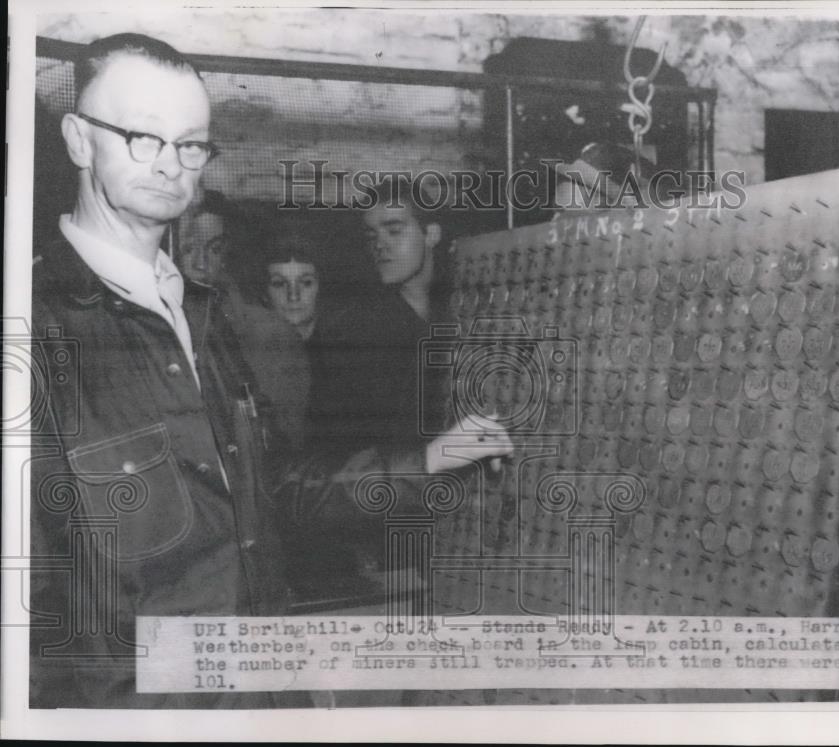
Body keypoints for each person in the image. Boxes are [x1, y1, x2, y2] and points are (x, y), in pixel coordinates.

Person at [29, 32, 512, 709]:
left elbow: (278, 488)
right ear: (79, 140)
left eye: (191, 143)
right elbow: (30, 612)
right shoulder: (35, 328)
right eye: (143, 136)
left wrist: (428, 458)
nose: (171, 164)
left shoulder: (201, 317)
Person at [308, 179, 452, 464]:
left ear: (431, 234)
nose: (380, 245)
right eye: (372, 235)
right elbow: (335, 460)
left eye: (394, 231)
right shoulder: (349, 335)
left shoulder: (460, 311)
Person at [175, 188, 310, 451]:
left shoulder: (271, 336)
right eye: (189, 248)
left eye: (214, 249)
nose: (201, 264)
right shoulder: (140, 328)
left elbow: (286, 447)